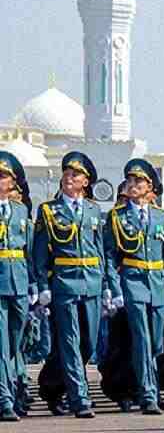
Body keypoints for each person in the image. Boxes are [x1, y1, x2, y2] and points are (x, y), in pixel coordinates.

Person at [33, 152, 121, 419]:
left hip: (92, 282)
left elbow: (101, 250)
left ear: (86, 181)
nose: (68, 178)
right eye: (67, 174)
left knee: (88, 343)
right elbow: (39, 253)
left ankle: (51, 384)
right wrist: (42, 284)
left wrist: (106, 284)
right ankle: (79, 398)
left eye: (75, 175)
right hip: (64, 282)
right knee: (70, 341)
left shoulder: (94, 210)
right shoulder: (49, 210)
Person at [103, 159, 164, 415]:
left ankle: (149, 386)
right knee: (142, 339)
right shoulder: (117, 216)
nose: (133, 185)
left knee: (157, 342)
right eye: (130, 181)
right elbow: (111, 255)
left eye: (139, 181)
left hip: (157, 282)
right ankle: (148, 394)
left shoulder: (160, 216)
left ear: (150, 187)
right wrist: (115, 290)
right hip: (133, 281)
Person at [0, 152, 32, 422]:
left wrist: (33, 284)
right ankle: (5, 400)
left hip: (19, 282)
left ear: (12, 181)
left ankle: (14, 387)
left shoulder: (21, 211)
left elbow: (29, 250)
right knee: (1, 344)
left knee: (15, 342)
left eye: (3, 176)